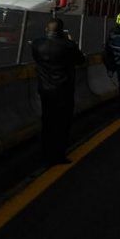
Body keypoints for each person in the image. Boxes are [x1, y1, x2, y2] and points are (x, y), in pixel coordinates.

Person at [31, 18, 86, 165]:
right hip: (63, 90)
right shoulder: (68, 46)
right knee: (62, 124)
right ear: (61, 31)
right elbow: (81, 60)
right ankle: (58, 154)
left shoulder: (37, 45)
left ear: (46, 29)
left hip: (45, 89)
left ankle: (45, 153)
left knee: (47, 121)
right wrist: (70, 41)